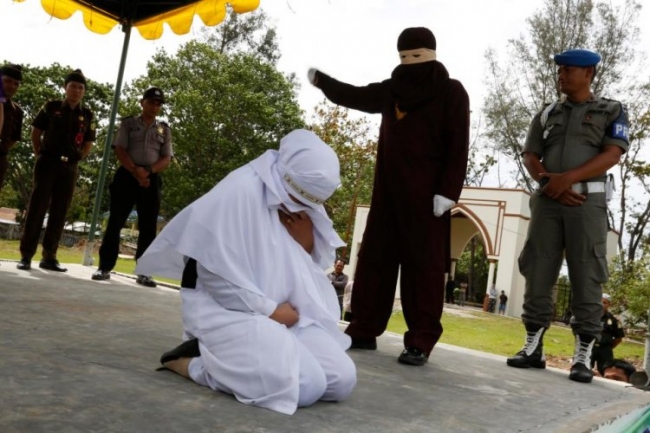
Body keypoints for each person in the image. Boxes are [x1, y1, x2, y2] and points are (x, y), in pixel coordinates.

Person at [135, 129, 356, 415]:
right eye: (299, 200)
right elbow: (214, 275)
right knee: (306, 385)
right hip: (231, 311)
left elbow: (312, 259)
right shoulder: (236, 195)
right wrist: (271, 312)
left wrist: (307, 241)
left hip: (285, 311)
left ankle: (255, 358)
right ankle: (194, 363)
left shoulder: (300, 190)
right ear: (283, 177)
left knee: (341, 380)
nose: (305, 209)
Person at [308, 27, 470, 366]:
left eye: (416, 56)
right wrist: (324, 83)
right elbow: (355, 95)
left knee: (422, 271)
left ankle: (420, 340)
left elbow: (458, 145)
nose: (410, 63)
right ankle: (363, 328)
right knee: (374, 263)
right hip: (388, 197)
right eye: (404, 56)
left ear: (431, 54)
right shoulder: (392, 91)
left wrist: (447, 192)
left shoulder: (451, 92)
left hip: (428, 202)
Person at [506, 49, 629, 384]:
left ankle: (583, 355)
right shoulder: (547, 113)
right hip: (547, 199)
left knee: (587, 272)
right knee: (537, 267)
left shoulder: (611, 110)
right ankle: (533, 347)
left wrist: (568, 178)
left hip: (586, 202)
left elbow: (613, 154)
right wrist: (549, 180)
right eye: (559, 70)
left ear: (588, 73)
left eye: (569, 70)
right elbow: (531, 154)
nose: (561, 75)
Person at [91, 87, 173, 287]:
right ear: (142, 102)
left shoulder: (164, 129)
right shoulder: (128, 124)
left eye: (158, 104)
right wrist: (137, 172)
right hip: (127, 176)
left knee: (148, 227)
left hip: (151, 179)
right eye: (151, 102)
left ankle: (144, 272)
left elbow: (166, 158)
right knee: (115, 222)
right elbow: (120, 149)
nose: (154, 106)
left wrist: (148, 172)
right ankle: (104, 267)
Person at [17, 69, 95, 272]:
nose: (77, 90)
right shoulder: (51, 107)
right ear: (65, 87)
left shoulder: (87, 114)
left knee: (60, 211)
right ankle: (26, 255)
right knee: (37, 208)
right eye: (73, 86)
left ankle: (49, 256)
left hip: (69, 166)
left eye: (80, 87)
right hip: (48, 162)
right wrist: (39, 154)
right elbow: (35, 133)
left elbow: (88, 142)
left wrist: (78, 158)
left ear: (83, 91)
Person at [0, 64, 24, 192]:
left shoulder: (17, 111)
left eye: (16, 83)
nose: (12, 86)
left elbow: (14, 138)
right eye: (8, 81)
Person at [591, 293, 625, 375]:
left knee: (606, 372)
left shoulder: (613, 320)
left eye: (604, 302)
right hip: (590, 347)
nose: (602, 305)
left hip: (605, 349)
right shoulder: (590, 316)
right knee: (584, 368)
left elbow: (618, 338)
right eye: (600, 302)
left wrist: (608, 347)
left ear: (609, 304)